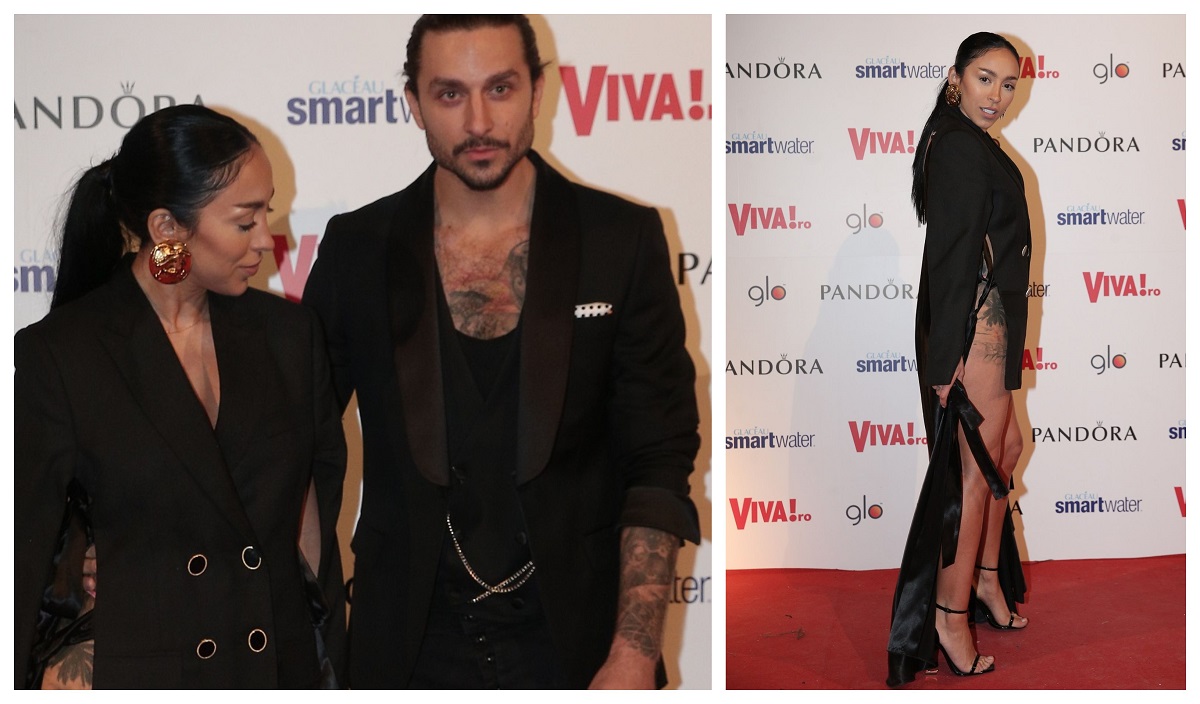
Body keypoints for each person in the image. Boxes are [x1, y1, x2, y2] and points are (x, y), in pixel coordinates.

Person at [302, 14, 701, 689]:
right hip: (401, 646)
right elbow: (290, 439)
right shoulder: (357, 248)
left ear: (538, 92)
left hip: (578, 644)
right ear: (413, 103)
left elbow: (658, 458)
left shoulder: (620, 239)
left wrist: (633, 653)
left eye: (500, 88)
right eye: (450, 94)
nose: (479, 121)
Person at [14, 104, 348, 689]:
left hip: (276, 670)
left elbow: (312, 542)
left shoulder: (290, 337)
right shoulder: (63, 354)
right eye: (244, 222)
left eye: (266, 212)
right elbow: (24, 557)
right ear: (167, 227)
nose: (267, 241)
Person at [886, 32, 1032, 686]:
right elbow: (951, 255)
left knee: (1005, 452)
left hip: (992, 321)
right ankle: (949, 618)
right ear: (955, 77)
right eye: (985, 78)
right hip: (973, 327)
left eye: (1008, 83)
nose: (997, 95)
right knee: (974, 477)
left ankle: (986, 580)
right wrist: (946, 360)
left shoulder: (972, 142)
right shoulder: (957, 149)